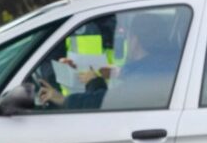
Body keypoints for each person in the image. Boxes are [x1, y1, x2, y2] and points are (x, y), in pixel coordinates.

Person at [38, 13, 177, 110]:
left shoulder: (142, 81)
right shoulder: (167, 65)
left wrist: (64, 99)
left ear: (135, 41)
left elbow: (104, 102)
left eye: (127, 37)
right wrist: (120, 73)